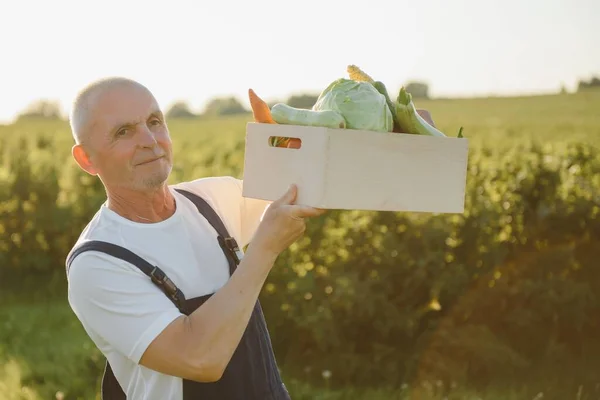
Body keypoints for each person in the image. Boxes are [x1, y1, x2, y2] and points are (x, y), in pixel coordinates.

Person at [65, 77, 326, 400]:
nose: (149, 140)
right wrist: (265, 249)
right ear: (87, 159)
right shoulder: (98, 263)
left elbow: (306, 187)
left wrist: (285, 143)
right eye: (123, 132)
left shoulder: (209, 200)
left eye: (154, 122)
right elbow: (200, 358)